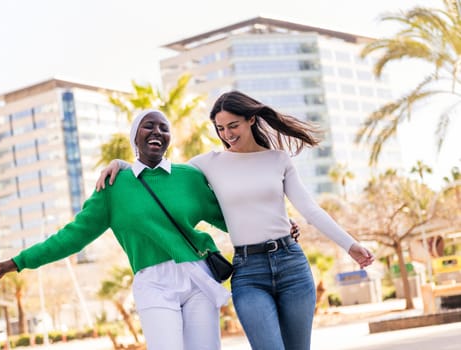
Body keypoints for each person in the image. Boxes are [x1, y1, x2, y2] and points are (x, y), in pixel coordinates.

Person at [96, 91, 375, 350]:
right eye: (220, 128)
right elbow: (159, 173)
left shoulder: (278, 160)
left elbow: (311, 210)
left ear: (251, 119)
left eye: (233, 125)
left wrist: (350, 245)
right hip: (249, 271)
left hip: (292, 265)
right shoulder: (207, 163)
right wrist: (121, 165)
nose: (227, 134)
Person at [0, 109, 234, 350]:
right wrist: (18, 262)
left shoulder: (189, 177)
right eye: (149, 125)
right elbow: (73, 236)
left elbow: (232, 219)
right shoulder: (114, 186)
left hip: (197, 276)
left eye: (163, 128)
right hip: (153, 284)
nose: (157, 131)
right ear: (135, 135)